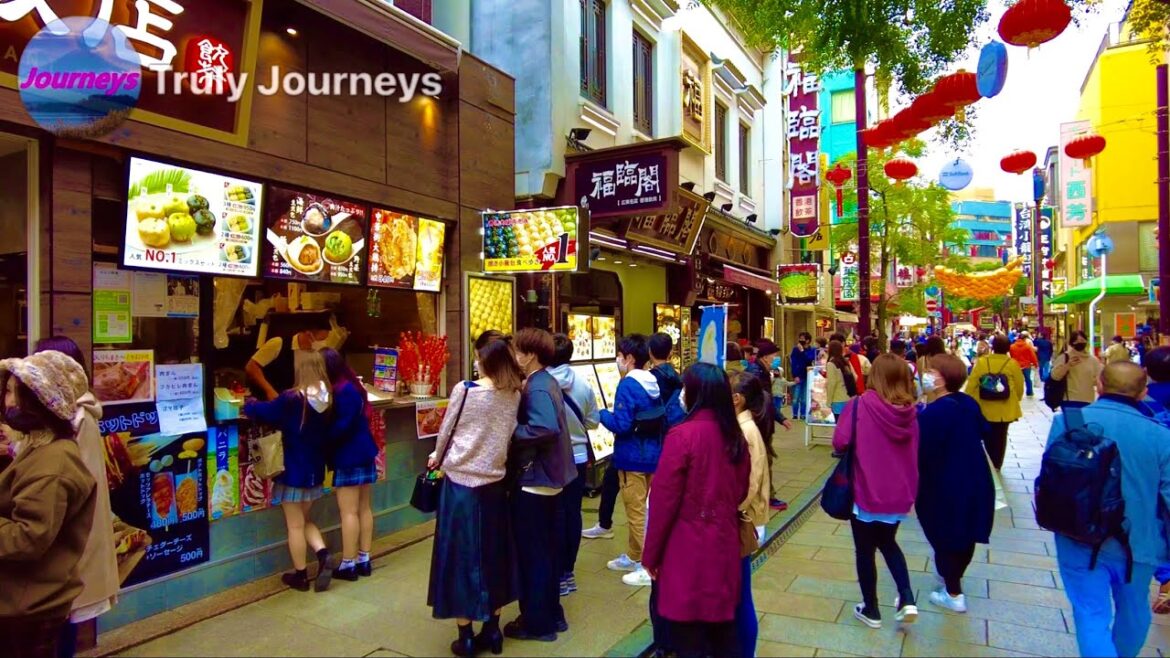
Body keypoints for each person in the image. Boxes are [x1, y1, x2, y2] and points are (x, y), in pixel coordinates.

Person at [1049, 362, 1170, 658]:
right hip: (1139, 540)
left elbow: (1051, 478)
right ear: (1143, 393)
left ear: (1099, 384)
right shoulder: (1160, 435)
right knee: (1134, 609)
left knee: (1090, 613)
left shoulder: (1068, 422)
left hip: (1078, 534)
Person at [642, 363, 751, 658]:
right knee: (721, 629)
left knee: (688, 635)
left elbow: (663, 502)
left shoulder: (682, 436)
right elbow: (741, 490)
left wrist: (650, 554)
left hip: (686, 548)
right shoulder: (735, 436)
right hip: (724, 542)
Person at [426, 338, 524, 656]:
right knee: (494, 556)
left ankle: (465, 636)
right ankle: (493, 631)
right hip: (495, 486)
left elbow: (446, 431)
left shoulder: (466, 390)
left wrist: (436, 458)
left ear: (484, 361)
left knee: (459, 559)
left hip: (460, 486)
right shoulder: (514, 394)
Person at [0, 351, 96, 658]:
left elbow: (27, 538)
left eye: (12, 393)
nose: (7, 402)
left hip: (29, 606)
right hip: (25, 600)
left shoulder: (52, 463)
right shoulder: (40, 446)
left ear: (38, 402)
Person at [32, 338, 118, 657]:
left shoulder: (76, 417)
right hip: (70, 527)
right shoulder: (73, 413)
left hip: (69, 530)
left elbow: (71, 480)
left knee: (62, 609)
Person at [832, 354, 921, 630]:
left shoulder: (860, 405)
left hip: (865, 489)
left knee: (864, 550)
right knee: (889, 543)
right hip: (899, 492)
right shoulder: (910, 412)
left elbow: (840, 441)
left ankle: (871, 608)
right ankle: (906, 596)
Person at [507, 328, 577, 642]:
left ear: (530, 354)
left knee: (533, 555)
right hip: (554, 479)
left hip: (536, 481)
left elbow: (543, 426)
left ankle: (537, 623)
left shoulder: (536, 387)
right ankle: (552, 614)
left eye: (517, 350)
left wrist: (511, 431)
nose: (514, 355)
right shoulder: (547, 381)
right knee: (547, 553)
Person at [244, 352, 334, 593]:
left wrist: (249, 402)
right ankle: (324, 555)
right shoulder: (326, 397)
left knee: (294, 525)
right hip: (315, 470)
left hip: (293, 470)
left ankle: (301, 576)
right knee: (304, 520)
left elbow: (264, 411)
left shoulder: (292, 398)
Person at [916, 354, 995, 614]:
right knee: (965, 531)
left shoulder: (935, 413)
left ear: (942, 379)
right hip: (976, 477)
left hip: (943, 482)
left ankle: (953, 591)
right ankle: (951, 578)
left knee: (943, 532)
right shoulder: (968, 403)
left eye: (930, 371)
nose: (924, 374)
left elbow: (922, 451)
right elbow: (986, 431)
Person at [601, 334, 665, 587]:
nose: (618, 359)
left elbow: (622, 423)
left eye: (620, 355)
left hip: (631, 456)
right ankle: (634, 554)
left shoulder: (628, 384)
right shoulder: (652, 381)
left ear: (628, 358)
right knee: (645, 509)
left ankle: (645, 565)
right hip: (652, 454)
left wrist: (601, 414)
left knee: (636, 511)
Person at [548, 333, 600, 598]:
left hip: (551, 459)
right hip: (578, 458)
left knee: (552, 515)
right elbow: (593, 421)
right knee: (572, 514)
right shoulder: (583, 384)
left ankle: (555, 573)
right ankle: (568, 572)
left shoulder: (539, 384)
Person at [320, 349, 378, 581]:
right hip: (364, 452)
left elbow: (341, 427)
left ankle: (348, 563)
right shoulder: (352, 386)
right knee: (364, 508)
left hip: (348, 455)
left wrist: (322, 436)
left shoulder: (341, 391)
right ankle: (364, 559)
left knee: (348, 512)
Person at [730, 371, 773, 658]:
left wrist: (732, 509)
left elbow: (750, 482)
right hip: (748, 518)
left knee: (741, 596)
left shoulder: (745, 431)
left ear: (737, 399)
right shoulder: (745, 426)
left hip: (746, 520)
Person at [246, 317, 348, 401]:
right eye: (321, 340)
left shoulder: (315, 354)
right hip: (271, 403)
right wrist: (269, 390)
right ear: (309, 335)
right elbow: (251, 367)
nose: (323, 343)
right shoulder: (279, 344)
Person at [964, 335, 1025, 472]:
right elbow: (1019, 386)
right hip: (1005, 409)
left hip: (984, 407)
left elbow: (972, 384)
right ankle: (997, 464)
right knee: (1001, 437)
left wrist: (968, 401)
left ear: (992, 347)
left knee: (986, 436)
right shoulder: (1012, 364)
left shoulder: (981, 362)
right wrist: (1017, 399)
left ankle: (987, 462)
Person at [1050, 330, 1104, 409]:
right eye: (1076, 341)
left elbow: (1098, 379)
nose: (1080, 343)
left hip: (1088, 400)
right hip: (1070, 400)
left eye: (1082, 340)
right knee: (1074, 421)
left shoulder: (1093, 360)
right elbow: (1055, 376)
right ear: (1072, 343)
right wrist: (1067, 365)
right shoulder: (1065, 357)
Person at [648, 333, 686, 429]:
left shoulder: (648, 379)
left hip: (655, 430)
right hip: (674, 426)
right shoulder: (677, 376)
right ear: (670, 352)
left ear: (649, 351)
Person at [790, 332, 817, 420]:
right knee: (796, 396)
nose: (800, 340)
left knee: (805, 397)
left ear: (808, 340)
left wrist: (802, 351)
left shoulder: (812, 350)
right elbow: (793, 363)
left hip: (807, 375)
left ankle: (803, 414)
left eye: (802, 338)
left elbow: (809, 360)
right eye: (800, 338)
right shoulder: (795, 349)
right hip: (798, 375)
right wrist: (795, 375)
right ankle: (794, 414)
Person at [825, 340, 856, 416]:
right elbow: (855, 377)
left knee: (839, 424)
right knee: (846, 425)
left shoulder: (831, 364)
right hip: (849, 396)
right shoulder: (845, 362)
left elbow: (832, 383)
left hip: (837, 398)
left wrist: (828, 402)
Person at [1010, 332, 1040, 398]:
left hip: (1016, 365)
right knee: (1028, 379)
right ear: (1024, 339)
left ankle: (1016, 392)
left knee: (1016, 379)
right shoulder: (1027, 346)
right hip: (1026, 365)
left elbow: (1011, 356)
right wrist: (1035, 364)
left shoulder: (1012, 347)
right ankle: (1029, 392)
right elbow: (1032, 356)